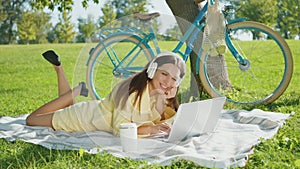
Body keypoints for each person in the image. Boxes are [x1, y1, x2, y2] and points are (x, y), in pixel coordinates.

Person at [26, 50, 186, 137]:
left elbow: (165, 121)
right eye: (164, 74)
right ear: (151, 71)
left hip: (93, 111)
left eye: (173, 79)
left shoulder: (159, 96)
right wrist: (150, 130)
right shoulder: (131, 91)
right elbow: (120, 128)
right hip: (82, 118)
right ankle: (76, 90)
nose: (168, 82)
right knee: (31, 119)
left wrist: (165, 101)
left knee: (66, 105)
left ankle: (59, 69)